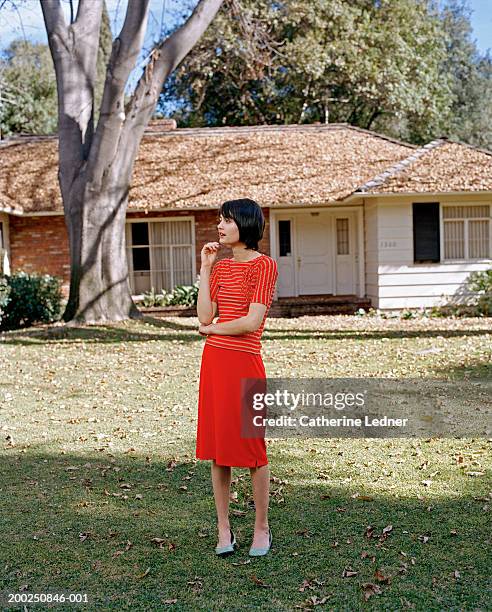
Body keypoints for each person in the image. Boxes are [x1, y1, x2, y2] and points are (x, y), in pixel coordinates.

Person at [196, 198, 278, 558]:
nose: (220, 226)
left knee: (253, 448)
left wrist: (211, 329)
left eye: (226, 220)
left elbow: (251, 322)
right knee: (219, 451)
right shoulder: (221, 267)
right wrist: (205, 269)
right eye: (219, 220)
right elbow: (203, 313)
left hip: (245, 364)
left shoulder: (264, 266)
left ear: (244, 225)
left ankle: (261, 527)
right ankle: (223, 528)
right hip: (214, 364)